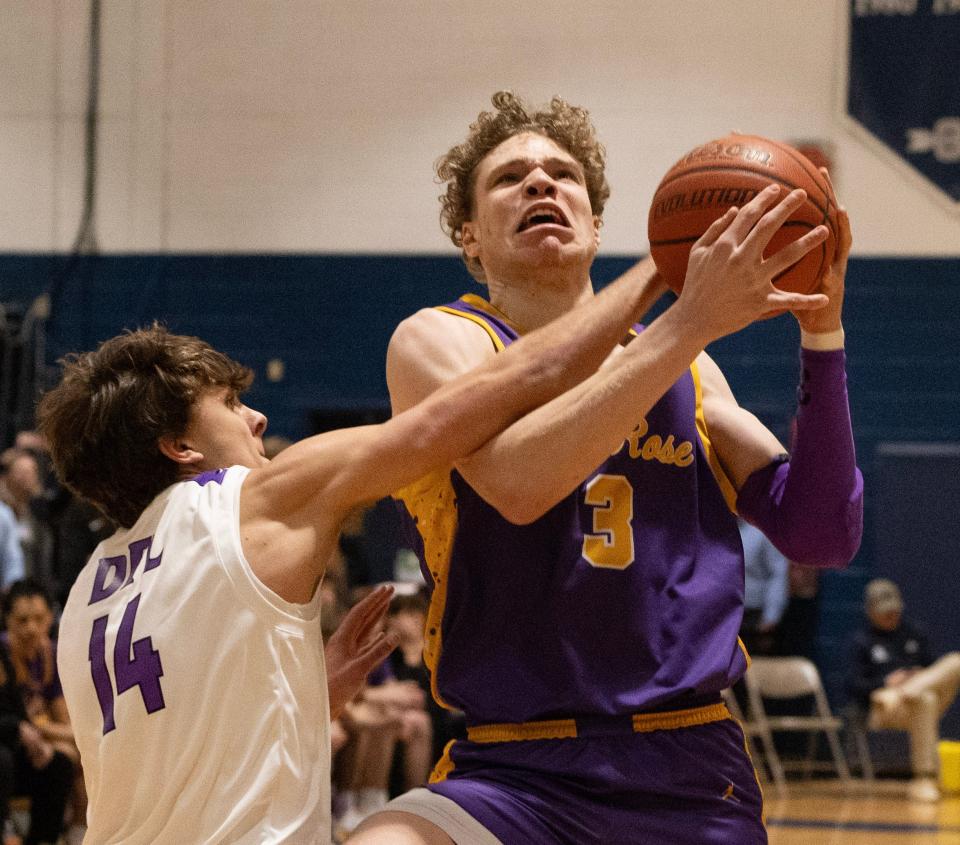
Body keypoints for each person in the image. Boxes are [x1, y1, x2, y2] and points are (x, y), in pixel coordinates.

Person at [37, 236, 739, 845]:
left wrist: (306, 691)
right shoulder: (255, 500)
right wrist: (661, 273)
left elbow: (170, 753)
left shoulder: (91, 591)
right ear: (179, 444)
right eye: (228, 403)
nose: (254, 418)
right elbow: (493, 394)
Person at [351, 91, 863, 845]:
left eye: (562, 174)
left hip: (689, 765)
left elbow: (823, 532)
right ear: (469, 235)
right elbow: (518, 484)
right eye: (509, 177)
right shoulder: (442, 341)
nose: (539, 184)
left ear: (595, 224)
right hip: (514, 771)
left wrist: (823, 329)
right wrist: (684, 319)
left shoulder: (692, 369)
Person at [848, 578, 960, 803]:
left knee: (956, 662)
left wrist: (915, 677)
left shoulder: (914, 632)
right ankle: (923, 778)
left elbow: (935, 669)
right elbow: (853, 686)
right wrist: (887, 682)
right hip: (882, 707)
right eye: (884, 612)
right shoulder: (861, 641)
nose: (891, 616)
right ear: (870, 611)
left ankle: (911, 689)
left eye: (894, 610)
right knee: (924, 700)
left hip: (913, 696)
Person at [738, 516, 790, 657]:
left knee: (751, 672)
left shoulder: (762, 530)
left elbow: (778, 573)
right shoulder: (715, 528)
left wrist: (770, 617)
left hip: (753, 618)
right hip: (724, 616)